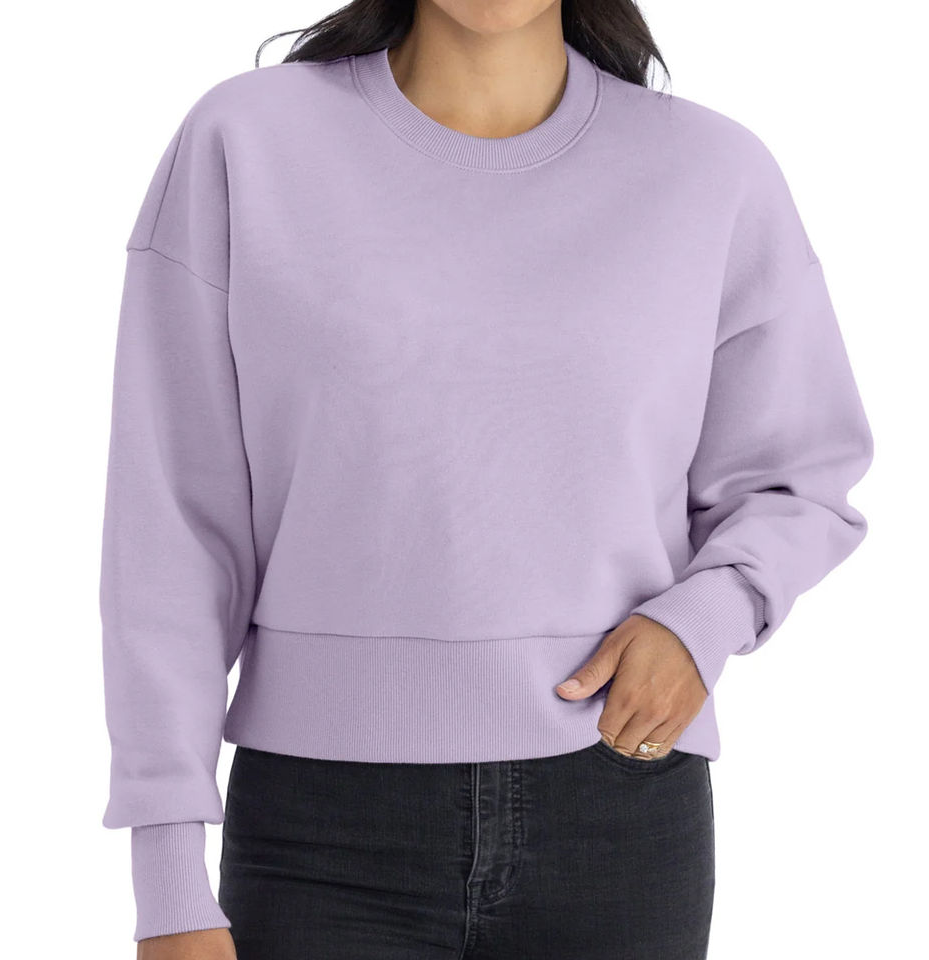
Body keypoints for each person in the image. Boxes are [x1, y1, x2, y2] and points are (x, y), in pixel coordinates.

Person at [98, 2, 874, 958]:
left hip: (618, 811)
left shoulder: (713, 172)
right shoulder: (246, 143)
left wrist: (704, 617)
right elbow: (171, 529)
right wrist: (169, 876)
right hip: (319, 831)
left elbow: (800, 475)